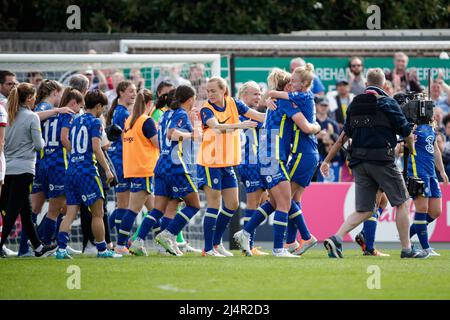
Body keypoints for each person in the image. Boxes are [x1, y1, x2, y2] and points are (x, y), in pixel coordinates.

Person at [320, 68, 428, 259]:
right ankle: (407, 249)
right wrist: (411, 147)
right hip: (382, 161)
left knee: (365, 209)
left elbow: (342, 138)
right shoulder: (388, 103)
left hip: (359, 163)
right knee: (402, 202)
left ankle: (336, 239)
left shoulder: (354, 104)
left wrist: (326, 160)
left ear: (365, 84)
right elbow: (406, 134)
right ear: (384, 85)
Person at [234, 68, 321, 257]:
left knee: (276, 201)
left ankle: (245, 232)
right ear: (288, 86)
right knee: (284, 203)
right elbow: (306, 127)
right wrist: (317, 126)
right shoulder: (286, 103)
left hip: (269, 157)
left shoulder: (277, 102)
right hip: (273, 157)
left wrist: (268, 96)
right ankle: (279, 248)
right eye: (292, 84)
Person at [130, 85, 202, 256]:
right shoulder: (180, 114)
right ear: (190, 99)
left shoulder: (165, 115)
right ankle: (167, 235)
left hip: (161, 165)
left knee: (160, 209)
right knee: (194, 205)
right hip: (176, 166)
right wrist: (193, 135)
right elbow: (171, 134)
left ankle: (138, 242)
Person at [197, 76, 265, 257]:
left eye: (213, 91)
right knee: (214, 204)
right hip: (210, 162)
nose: (209, 94)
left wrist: (281, 115)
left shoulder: (233, 103)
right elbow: (217, 127)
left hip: (227, 162)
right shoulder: (206, 108)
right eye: (208, 91)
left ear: (223, 90)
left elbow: (257, 115)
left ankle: (217, 244)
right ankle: (208, 248)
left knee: (233, 204)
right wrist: (240, 125)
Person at [56, 90, 120, 259]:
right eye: (103, 107)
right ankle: (102, 249)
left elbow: (67, 143)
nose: (103, 110)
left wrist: (76, 153)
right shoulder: (96, 122)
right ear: (98, 106)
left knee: (70, 213)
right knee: (98, 213)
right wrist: (107, 169)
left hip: (71, 170)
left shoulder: (76, 120)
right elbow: (96, 147)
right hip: (87, 172)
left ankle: (61, 250)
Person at [266, 65, 321, 256]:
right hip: (307, 154)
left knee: (283, 199)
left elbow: (306, 128)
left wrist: (315, 127)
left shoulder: (302, 96)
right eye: (289, 81)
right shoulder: (302, 97)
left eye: (295, 81)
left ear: (305, 84)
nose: (291, 84)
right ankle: (291, 242)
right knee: (293, 199)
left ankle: (304, 238)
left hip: (302, 154)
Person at [0, 83, 57, 258]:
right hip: (24, 169)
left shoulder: (9, 115)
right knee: (12, 211)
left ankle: (38, 247)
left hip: (7, 167)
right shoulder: (32, 117)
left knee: (25, 210)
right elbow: (39, 145)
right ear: (30, 98)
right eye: (34, 97)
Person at [114, 89, 159, 255]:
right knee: (133, 210)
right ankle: (122, 245)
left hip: (133, 168)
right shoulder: (146, 121)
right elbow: (157, 144)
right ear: (149, 104)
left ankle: (149, 243)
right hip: (144, 168)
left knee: (155, 209)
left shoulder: (129, 120)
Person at [406, 116, 448, 256]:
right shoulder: (412, 126)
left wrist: (441, 171)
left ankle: (406, 234)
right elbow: (402, 145)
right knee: (422, 208)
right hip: (418, 170)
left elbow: (435, 150)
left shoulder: (431, 128)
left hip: (431, 173)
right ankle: (426, 247)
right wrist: (409, 137)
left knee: (436, 211)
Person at [236, 81, 269, 256]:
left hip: (255, 163)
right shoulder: (246, 116)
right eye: (255, 94)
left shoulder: (249, 114)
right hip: (249, 163)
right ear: (244, 95)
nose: (258, 97)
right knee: (253, 204)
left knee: (263, 202)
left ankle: (247, 243)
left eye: (259, 93)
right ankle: (247, 245)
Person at [106, 80, 136, 237]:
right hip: (121, 160)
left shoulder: (119, 111)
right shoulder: (123, 113)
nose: (134, 94)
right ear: (121, 93)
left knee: (124, 205)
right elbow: (126, 139)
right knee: (124, 205)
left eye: (135, 91)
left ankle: (106, 236)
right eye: (131, 91)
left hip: (120, 159)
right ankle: (121, 242)